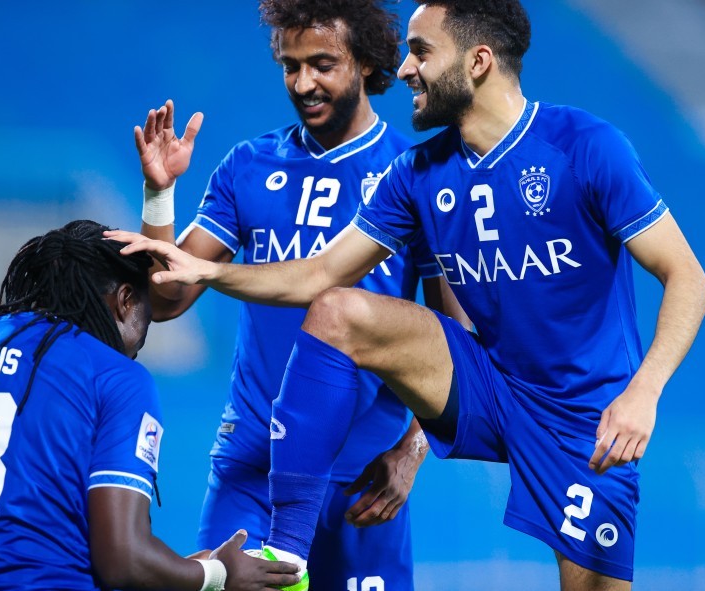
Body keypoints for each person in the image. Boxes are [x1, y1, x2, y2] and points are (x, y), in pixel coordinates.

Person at [112, 0, 705, 589]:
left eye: (421, 53)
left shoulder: (583, 146)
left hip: (573, 419)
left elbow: (687, 277)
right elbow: (317, 276)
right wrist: (197, 256)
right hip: (414, 408)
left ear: (477, 61)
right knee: (336, 309)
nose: (405, 69)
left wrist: (643, 392)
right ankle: (288, 549)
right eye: (290, 66)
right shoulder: (411, 173)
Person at [131, 2, 468, 590]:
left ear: (366, 63)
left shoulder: (414, 175)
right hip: (251, 470)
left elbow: (453, 337)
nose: (303, 83)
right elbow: (165, 300)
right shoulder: (248, 166)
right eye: (291, 66)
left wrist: (411, 453)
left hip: (363, 480)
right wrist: (160, 195)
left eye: (322, 65)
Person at [0, 220, 299, 591]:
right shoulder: (113, 374)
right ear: (125, 300)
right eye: (148, 312)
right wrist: (220, 575)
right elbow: (123, 559)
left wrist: (189, 567)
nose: (142, 339)